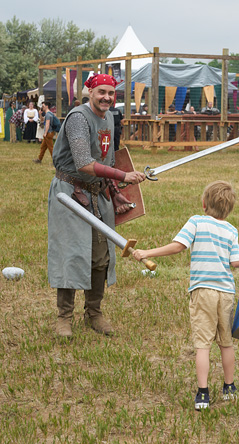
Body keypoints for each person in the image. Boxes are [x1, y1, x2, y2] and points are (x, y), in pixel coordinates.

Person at [132, 181, 239, 410]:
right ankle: (229, 388)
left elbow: (179, 246)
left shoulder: (196, 221)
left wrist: (147, 252)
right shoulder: (231, 230)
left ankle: (203, 394)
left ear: (204, 203)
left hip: (203, 292)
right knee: (226, 344)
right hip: (226, 294)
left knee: (203, 345)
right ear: (229, 209)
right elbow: (236, 262)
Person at [47, 73, 146, 338]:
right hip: (70, 193)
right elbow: (83, 162)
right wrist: (122, 177)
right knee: (71, 253)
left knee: (101, 256)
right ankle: (64, 318)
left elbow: (108, 159)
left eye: (111, 93)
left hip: (97, 192)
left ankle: (94, 312)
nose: (107, 98)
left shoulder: (110, 117)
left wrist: (114, 191)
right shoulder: (78, 118)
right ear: (90, 91)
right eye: (101, 92)